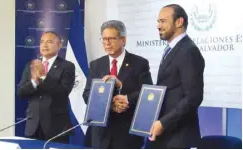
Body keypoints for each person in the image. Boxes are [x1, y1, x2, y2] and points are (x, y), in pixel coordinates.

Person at [82, 20, 153, 149]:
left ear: (123, 40)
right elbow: (87, 95)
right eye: (104, 39)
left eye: (111, 38)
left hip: (127, 133)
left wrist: (122, 88)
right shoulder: (96, 65)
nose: (107, 43)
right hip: (101, 134)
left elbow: (147, 94)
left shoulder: (139, 63)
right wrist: (111, 105)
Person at [147, 4, 205, 149]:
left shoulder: (188, 51)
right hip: (165, 135)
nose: (158, 26)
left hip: (179, 137)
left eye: (163, 21)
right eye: (158, 21)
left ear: (179, 22)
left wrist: (164, 122)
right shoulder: (173, 49)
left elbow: (193, 98)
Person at [17, 31, 75, 144]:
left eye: (49, 42)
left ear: (59, 45)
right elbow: (20, 93)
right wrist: (34, 81)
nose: (44, 45)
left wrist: (43, 76)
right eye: (42, 42)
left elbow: (63, 93)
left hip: (56, 127)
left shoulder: (67, 66)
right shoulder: (31, 66)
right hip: (33, 126)